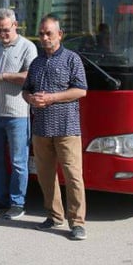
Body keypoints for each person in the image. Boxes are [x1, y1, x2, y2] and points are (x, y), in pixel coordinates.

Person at [23, 14, 89, 241]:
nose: (44, 37)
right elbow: (26, 89)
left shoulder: (72, 59)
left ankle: (77, 222)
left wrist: (51, 98)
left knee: (73, 176)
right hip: (41, 128)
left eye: (49, 33)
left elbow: (81, 90)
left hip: (67, 128)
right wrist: (31, 99)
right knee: (45, 175)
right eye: (41, 33)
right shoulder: (36, 62)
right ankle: (54, 215)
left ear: (59, 34)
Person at [0, 8, 38, 220]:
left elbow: (31, 77)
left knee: (18, 161)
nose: (2, 34)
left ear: (15, 25)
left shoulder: (27, 47)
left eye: (5, 30)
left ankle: (17, 203)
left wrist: (2, 75)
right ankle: (0, 200)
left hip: (17, 114)